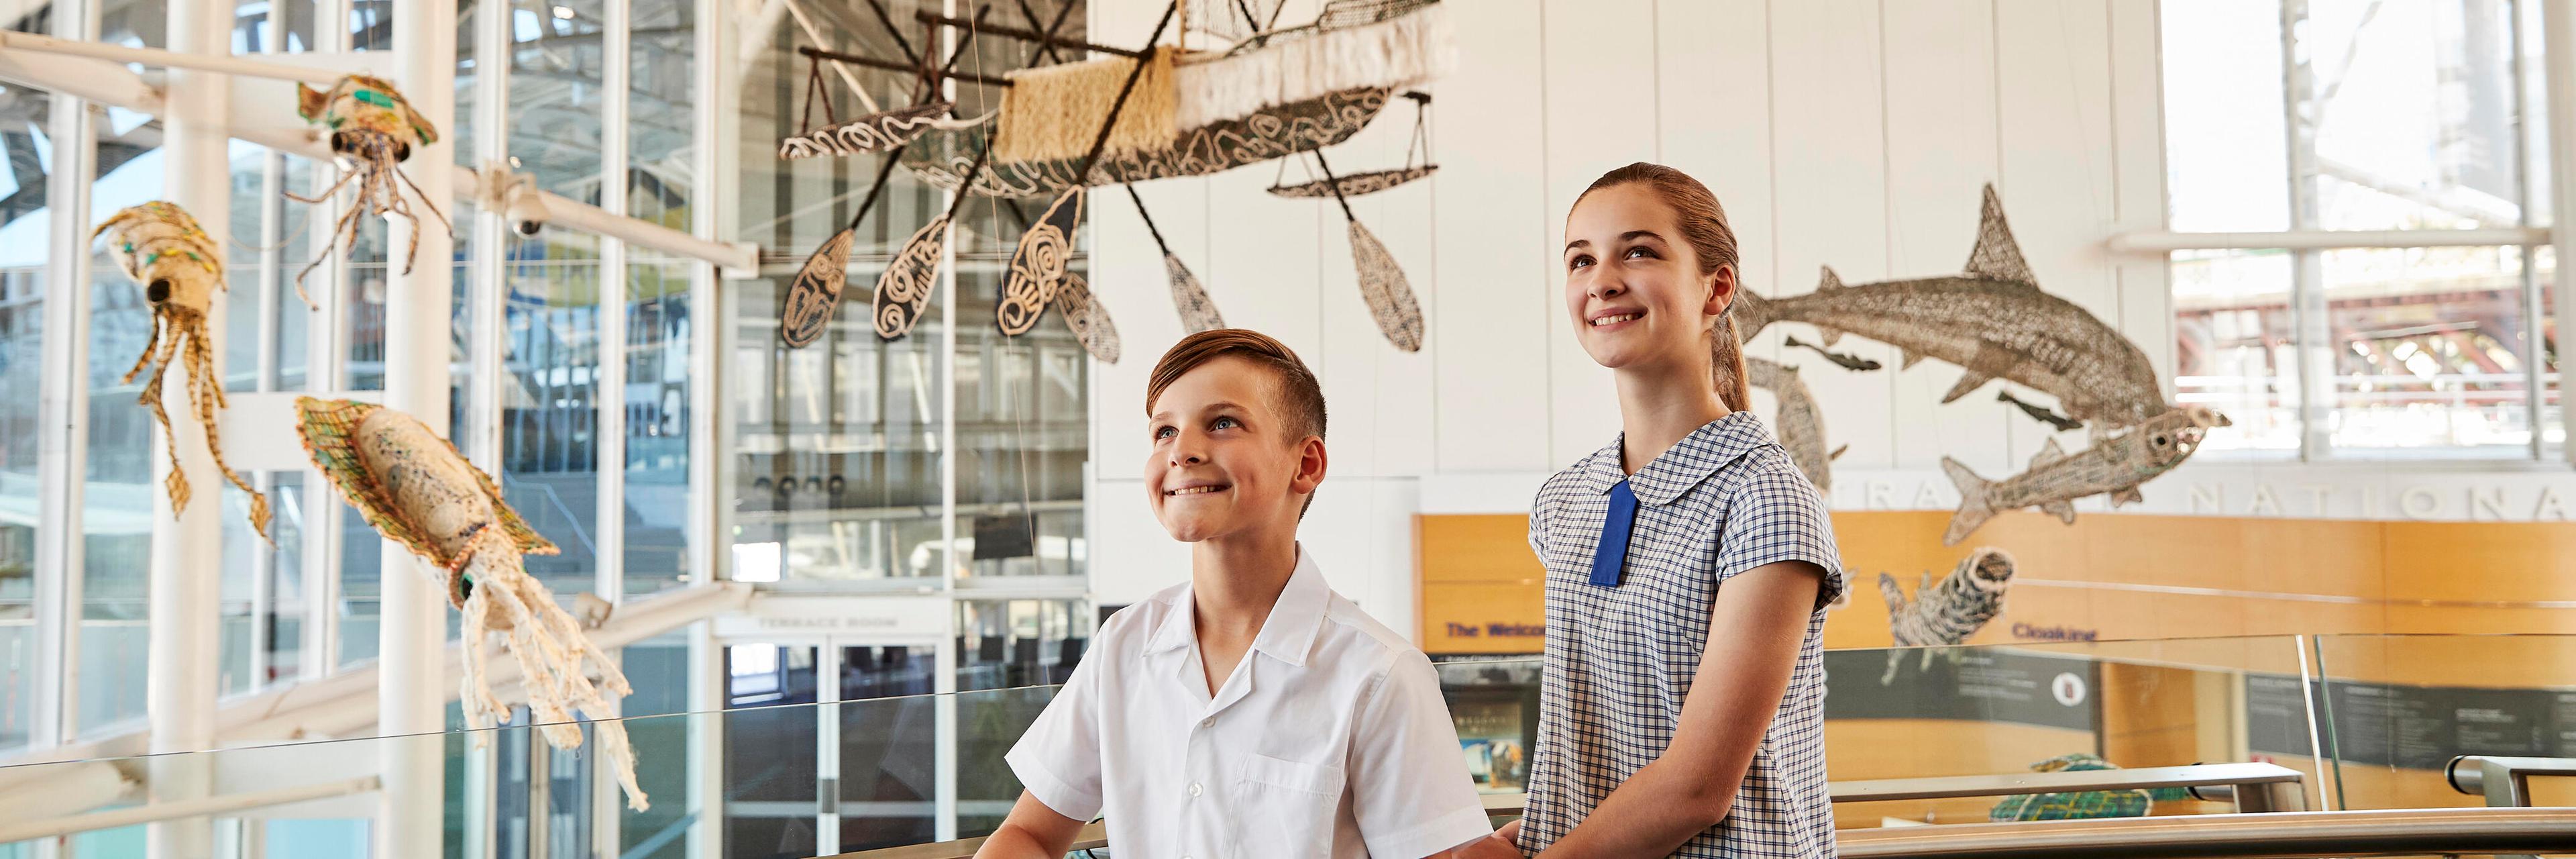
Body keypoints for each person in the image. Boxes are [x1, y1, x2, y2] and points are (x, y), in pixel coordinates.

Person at [976, 329, 1510, 859]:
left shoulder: (1381, 675)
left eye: (1223, 423)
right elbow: (1029, 835)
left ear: (1306, 465)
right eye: (1164, 432)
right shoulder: (1122, 645)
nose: (1182, 450)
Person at [1495, 162, 1847, 857]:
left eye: (1639, 251)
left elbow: (1697, 787)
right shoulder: (1564, 501)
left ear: (1716, 287)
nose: (1601, 279)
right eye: (1581, 260)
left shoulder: (1765, 499)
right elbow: (1592, 747)